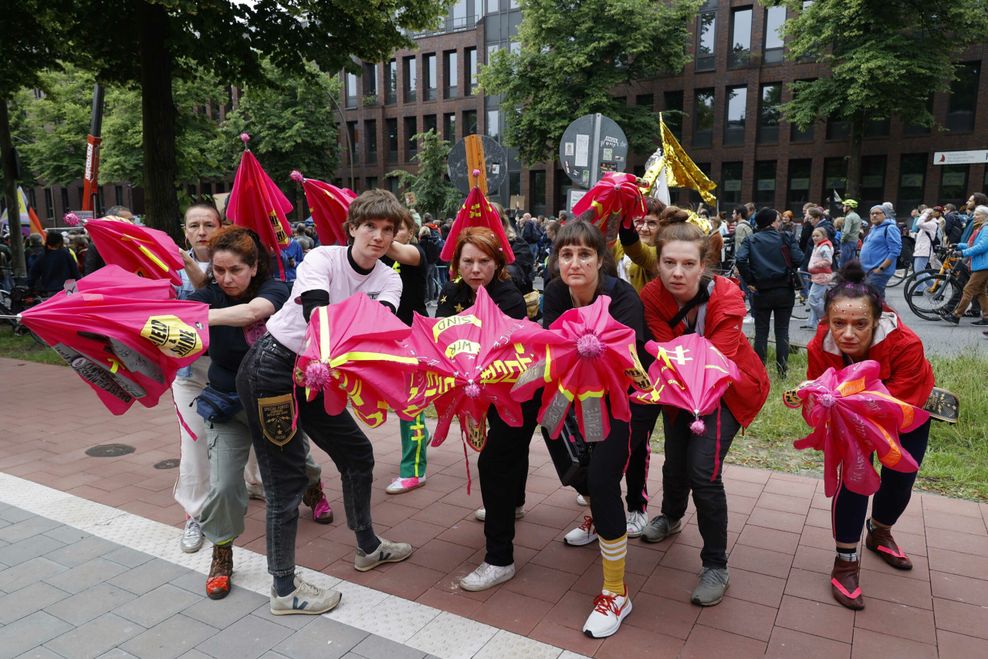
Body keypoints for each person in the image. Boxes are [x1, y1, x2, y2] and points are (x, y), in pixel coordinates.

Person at [236, 189, 411, 615]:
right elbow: (318, 316)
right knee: (286, 481)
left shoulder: (390, 279)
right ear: (352, 227)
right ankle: (282, 589)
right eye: (370, 226)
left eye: (388, 230)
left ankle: (368, 546)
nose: (378, 237)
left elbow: (373, 331)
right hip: (275, 370)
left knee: (357, 453)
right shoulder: (321, 260)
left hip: (320, 375)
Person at [639, 211, 770, 606]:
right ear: (657, 260)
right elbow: (663, 352)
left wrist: (676, 360)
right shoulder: (651, 297)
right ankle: (672, 515)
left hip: (728, 387)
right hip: (679, 385)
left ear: (704, 263)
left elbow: (718, 359)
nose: (678, 273)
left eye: (688, 264)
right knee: (674, 458)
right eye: (669, 263)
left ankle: (716, 564)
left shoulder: (727, 295)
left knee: (704, 472)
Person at [541, 220, 655, 637]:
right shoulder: (554, 292)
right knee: (553, 436)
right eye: (567, 254)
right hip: (565, 396)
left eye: (584, 254)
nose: (575, 262)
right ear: (558, 260)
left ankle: (615, 592)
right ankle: (593, 510)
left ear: (600, 259)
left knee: (607, 480)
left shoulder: (622, 297)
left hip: (613, 400)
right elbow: (549, 347)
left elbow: (627, 359)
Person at [806, 262, 934, 610]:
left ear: (876, 321)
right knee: (855, 480)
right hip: (852, 419)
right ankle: (845, 561)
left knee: (901, 478)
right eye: (839, 323)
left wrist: (845, 402)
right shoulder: (821, 344)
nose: (848, 333)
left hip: (904, 411)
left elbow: (900, 401)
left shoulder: (906, 343)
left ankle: (879, 531)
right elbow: (818, 390)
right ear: (828, 320)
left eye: (860, 324)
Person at [186, 226, 291, 600]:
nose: (226, 279)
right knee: (226, 485)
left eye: (235, 270)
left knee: (300, 468)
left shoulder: (276, 289)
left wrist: (198, 317)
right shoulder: (206, 296)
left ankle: (313, 487)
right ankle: (222, 553)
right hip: (227, 404)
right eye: (218, 270)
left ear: (254, 266)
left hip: (273, 403)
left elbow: (253, 313)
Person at [446, 228, 540, 593]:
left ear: (498, 263)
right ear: (457, 264)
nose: (475, 269)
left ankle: (500, 559)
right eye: (467, 261)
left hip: (520, 391)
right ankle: (513, 503)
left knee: (495, 461)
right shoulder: (452, 293)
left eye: (484, 261)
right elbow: (441, 332)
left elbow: (492, 351)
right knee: (510, 455)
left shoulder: (509, 297)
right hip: (482, 391)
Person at [382, 211, 433, 494]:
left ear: (410, 232)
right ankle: (419, 437)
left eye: (393, 229)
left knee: (409, 403)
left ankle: (413, 471)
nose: (386, 235)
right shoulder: (375, 259)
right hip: (383, 338)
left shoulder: (416, 253)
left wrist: (372, 232)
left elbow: (402, 252)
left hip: (412, 337)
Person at [735, 207, 803, 377]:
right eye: (778, 219)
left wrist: (750, 280)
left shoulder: (751, 239)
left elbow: (740, 260)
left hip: (761, 290)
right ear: (772, 222)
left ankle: (759, 371)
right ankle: (782, 371)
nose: (780, 222)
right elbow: (799, 258)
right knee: (782, 331)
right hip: (784, 289)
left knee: (761, 332)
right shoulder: (785, 237)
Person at [941, 204, 988, 326]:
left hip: (984, 265)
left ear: (985, 216)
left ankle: (956, 315)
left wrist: (963, 253)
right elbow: (973, 245)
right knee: (980, 291)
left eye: (978, 214)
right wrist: (959, 246)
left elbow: (982, 247)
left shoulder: (986, 229)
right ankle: (987, 317)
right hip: (981, 264)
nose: (975, 216)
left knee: (968, 289)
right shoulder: (982, 228)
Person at [859, 205, 902, 300]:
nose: (874, 215)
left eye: (877, 213)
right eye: (872, 213)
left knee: (874, 300)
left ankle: (881, 313)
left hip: (878, 271)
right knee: (871, 299)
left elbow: (895, 251)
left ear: (885, 215)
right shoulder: (874, 228)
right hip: (868, 270)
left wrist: (881, 268)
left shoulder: (890, 228)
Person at [805, 227, 835, 329]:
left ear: (824, 236)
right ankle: (812, 322)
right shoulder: (818, 246)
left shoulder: (824, 247)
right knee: (817, 298)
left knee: (812, 299)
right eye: (813, 236)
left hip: (822, 276)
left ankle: (825, 317)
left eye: (817, 236)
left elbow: (828, 261)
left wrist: (817, 265)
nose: (815, 238)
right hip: (818, 276)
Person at [841, 200, 862, 266]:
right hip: (854, 241)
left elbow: (846, 231)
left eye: (844, 206)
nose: (843, 208)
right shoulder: (857, 216)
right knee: (851, 263)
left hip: (847, 242)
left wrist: (841, 239)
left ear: (849, 207)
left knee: (843, 263)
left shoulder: (849, 217)